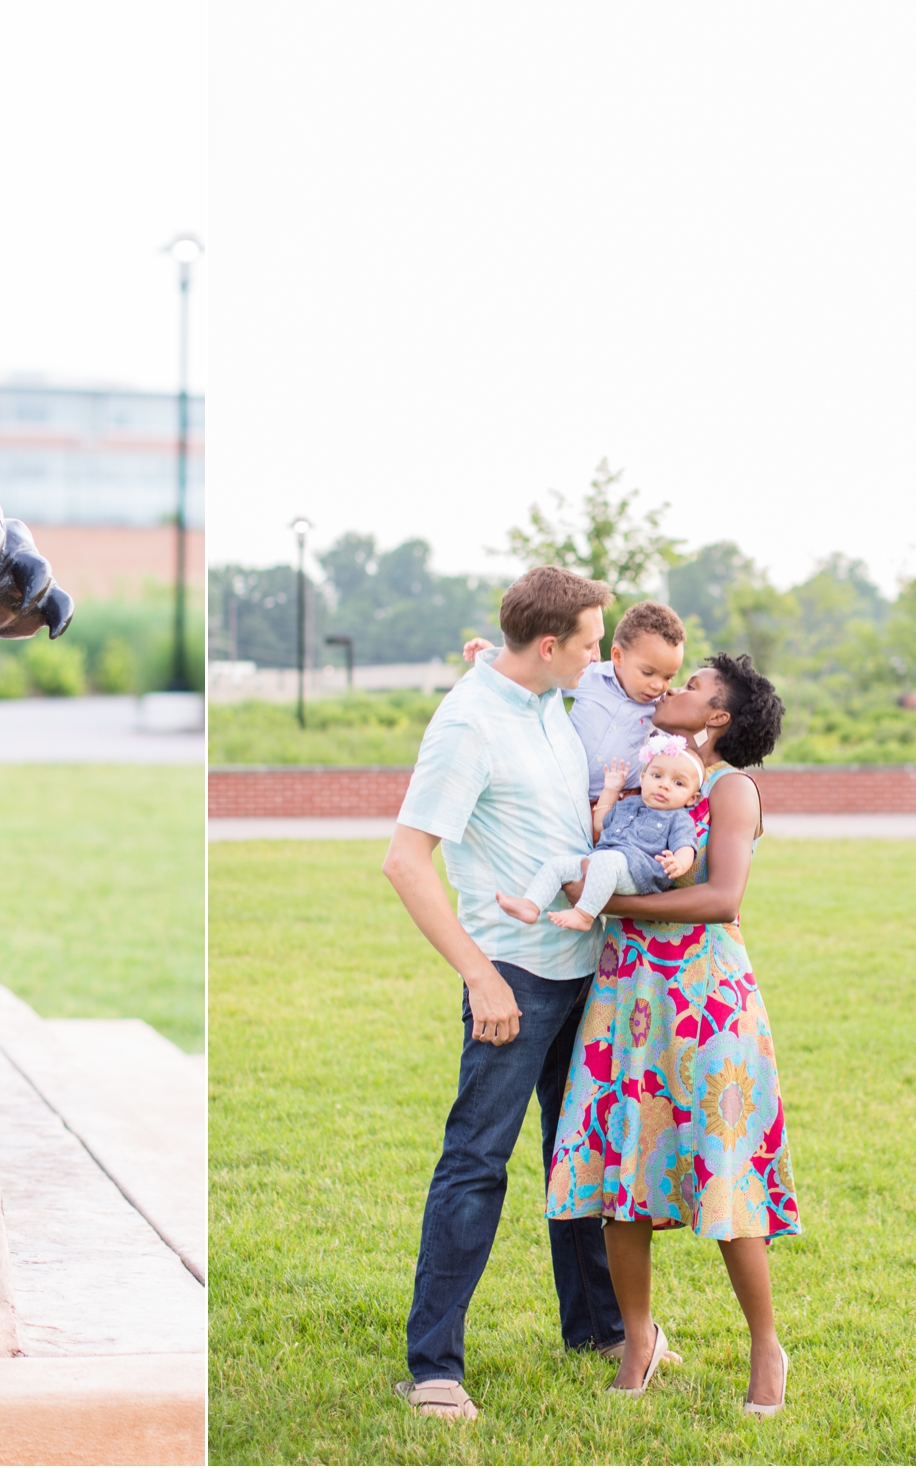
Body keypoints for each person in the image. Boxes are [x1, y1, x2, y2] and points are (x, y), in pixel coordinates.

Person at [382, 565, 638, 1424]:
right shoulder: (468, 724)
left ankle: (599, 1330)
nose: (601, 661)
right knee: (476, 1164)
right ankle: (433, 1368)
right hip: (514, 978)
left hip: (582, 973)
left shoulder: (547, 703)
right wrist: (480, 974)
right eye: (593, 645)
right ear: (551, 645)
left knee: (580, 1163)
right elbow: (404, 861)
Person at [545, 653, 798, 1417]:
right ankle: (638, 1337)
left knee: (724, 1173)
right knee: (627, 1171)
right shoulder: (651, 771)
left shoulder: (731, 789)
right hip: (629, 994)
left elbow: (723, 897)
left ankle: (766, 1346)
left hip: (706, 1005)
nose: (676, 690)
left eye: (695, 688)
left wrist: (606, 906)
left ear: (718, 718)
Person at [465, 598, 688, 803]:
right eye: (648, 673)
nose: (658, 685)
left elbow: (679, 742)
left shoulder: (660, 708)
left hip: (619, 802)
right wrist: (497, 655)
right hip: (563, 790)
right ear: (618, 656)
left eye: (668, 677)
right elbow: (538, 675)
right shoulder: (590, 677)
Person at [497, 734, 704, 932]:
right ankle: (531, 904)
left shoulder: (678, 818)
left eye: (678, 783)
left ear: (691, 798)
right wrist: (611, 790)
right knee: (557, 865)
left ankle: (584, 915)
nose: (664, 785)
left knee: (607, 861)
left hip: (638, 874)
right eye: (657, 775)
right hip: (601, 862)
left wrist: (679, 863)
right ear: (643, 778)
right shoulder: (629, 803)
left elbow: (685, 845)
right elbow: (600, 824)